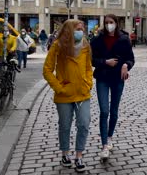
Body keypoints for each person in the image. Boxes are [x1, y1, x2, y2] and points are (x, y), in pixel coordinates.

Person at [42, 19, 93, 172]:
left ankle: (79, 156)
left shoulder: (85, 45)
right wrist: (58, 88)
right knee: (65, 126)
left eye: (82, 29)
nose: (81, 32)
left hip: (82, 92)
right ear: (69, 30)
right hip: (64, 94)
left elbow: (88, 68)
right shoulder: (58, 46)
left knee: (83, 124)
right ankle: (65, 154)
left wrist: (88, 83)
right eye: (78, 29)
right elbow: (47, 70)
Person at [90, 14, 135, 161]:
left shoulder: (124, 39)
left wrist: (125, 65)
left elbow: (131, 58)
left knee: (114, 111)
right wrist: (105, 62)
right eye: (107, 22)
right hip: (102, 78)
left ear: (116, 23)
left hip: (117, 79)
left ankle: (109, 137)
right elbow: (91, 59)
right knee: (104, 111)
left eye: (111, 22)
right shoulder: (97, 39)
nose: (109, 24)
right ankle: (104, 145)